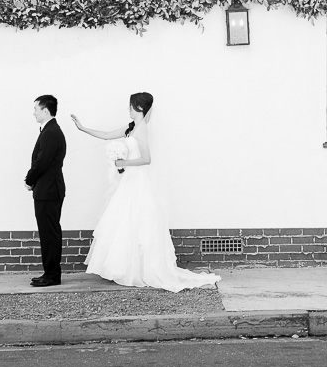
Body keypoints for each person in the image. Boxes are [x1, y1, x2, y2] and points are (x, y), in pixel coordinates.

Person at [71, 92, 220, 292]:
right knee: (125, 220)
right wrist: (82, 128)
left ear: (140, 108)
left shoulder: (142, 130)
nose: (128, 109)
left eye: (131, 106)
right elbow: (107, 135)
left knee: (138, 221)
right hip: (129, 181)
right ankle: (127, 269)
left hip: (137, 181)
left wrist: (123, 163)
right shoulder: (131, 128)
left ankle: (140, 270)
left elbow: (147, 159)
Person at [25, 95, 66, 287]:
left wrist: (29, 179)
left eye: (36, 109)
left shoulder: (51, 132)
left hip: (49, 191)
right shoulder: (50, 130)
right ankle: (49, 273)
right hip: (47, 190)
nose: (33, 112)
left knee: (49, 233)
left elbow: (42, 162)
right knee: (48, 233)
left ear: (45, 110)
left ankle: (52, 275)